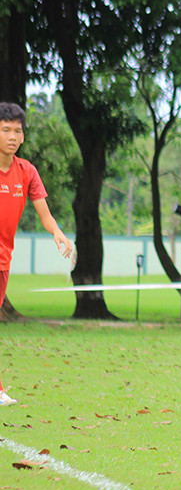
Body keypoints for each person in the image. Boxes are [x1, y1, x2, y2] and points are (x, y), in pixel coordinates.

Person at [0, 102, 74, 407]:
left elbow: (43, 212)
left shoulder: (26, 171)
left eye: (17, 131)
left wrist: (57, 233)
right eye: (5, 130)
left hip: (4, 259)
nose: (12, 136)